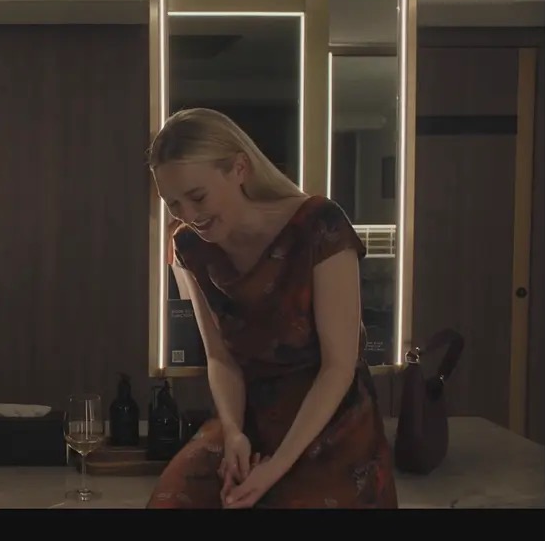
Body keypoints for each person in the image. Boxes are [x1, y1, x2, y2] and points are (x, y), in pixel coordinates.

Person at [144, 108, 398, 509]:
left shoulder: (319, 225)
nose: (188, 216)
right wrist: (233, 432)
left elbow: (339, 366)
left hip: (330, 417)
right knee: (172, 501)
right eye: (173, 203)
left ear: (239, 169)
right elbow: (220, 358)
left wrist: (276, 467)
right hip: (252, 414)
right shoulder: (190, 247)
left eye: (197, 197)